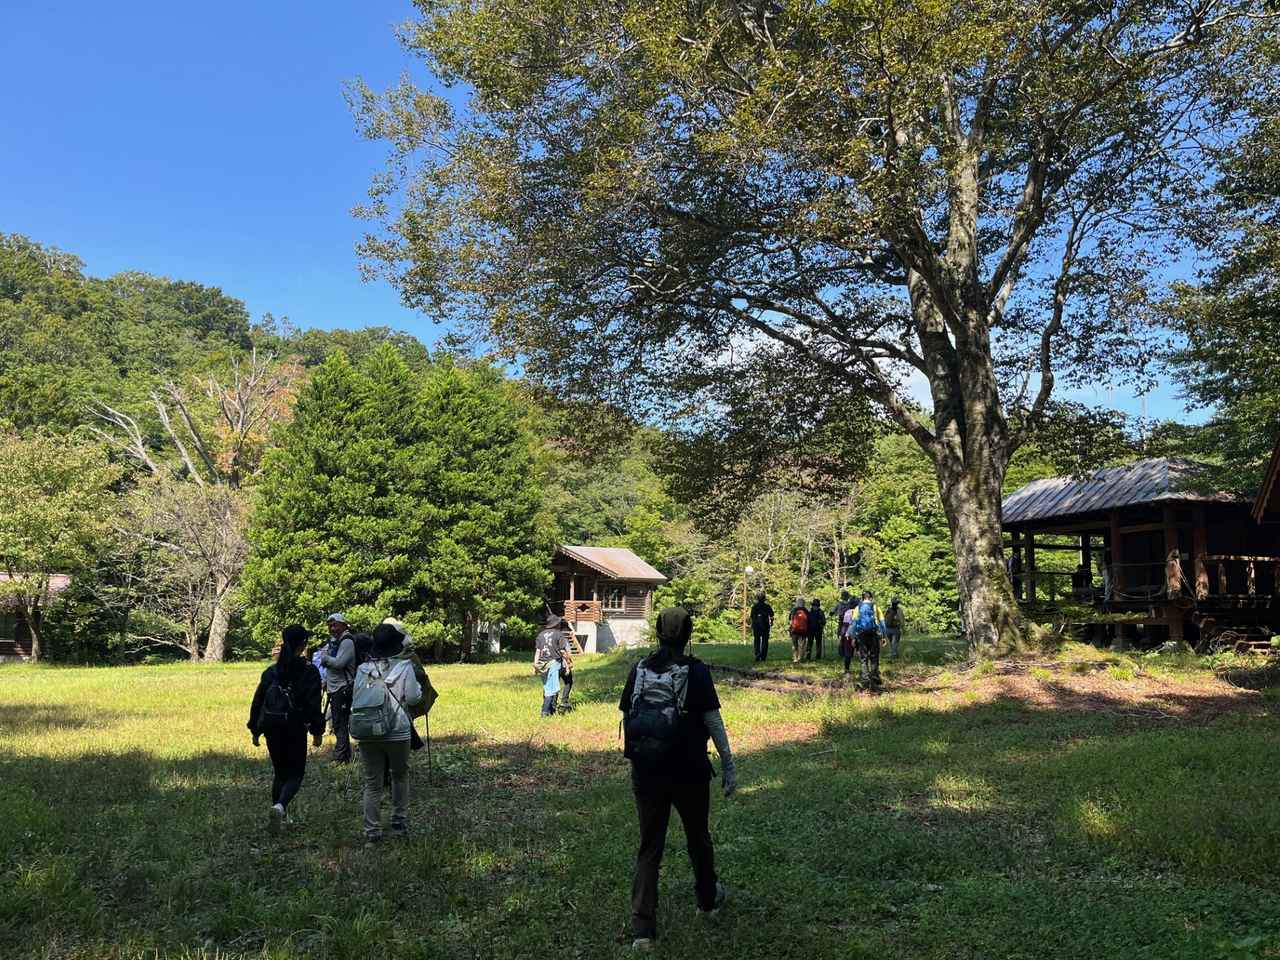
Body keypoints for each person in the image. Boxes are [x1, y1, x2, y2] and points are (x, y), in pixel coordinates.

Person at [620, 607, 734, 950]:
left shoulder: (638, 669)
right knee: (698, 836)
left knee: (649, 846)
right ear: (688, 634)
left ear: (657, 632)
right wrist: (728, 765)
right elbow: (713, 722)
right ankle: (707, 900)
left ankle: (642, 931)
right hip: (689, 771)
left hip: (647, 771)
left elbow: (629, 716)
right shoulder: (696, 671)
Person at [248, 624, 325, 834]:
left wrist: (255, 729)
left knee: (280, 773)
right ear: (303, 645)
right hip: (294, 727)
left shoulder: (271, 671)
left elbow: (258, 701)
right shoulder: (309, 671)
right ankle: (280, 806)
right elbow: (313, 704)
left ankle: (280, 818)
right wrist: (317, 731)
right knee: (296, 774)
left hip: (272, 727)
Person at [350, 622, 423, 843]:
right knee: (399, 775)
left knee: (372, 782)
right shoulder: (404, 667)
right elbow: (413, 698)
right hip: (397, 730)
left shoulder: (363, 669)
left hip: (366, 730)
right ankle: (399, 821)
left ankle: (372, 830)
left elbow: (356, 697)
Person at [319, 612, 357, 763]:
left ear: (343, 625)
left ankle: (341, 758)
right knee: (337, 722)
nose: (332, 628)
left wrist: (325, 658)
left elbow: (339, 663)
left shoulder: (347, 641)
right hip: (335, 687)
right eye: (329, 625)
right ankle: (343, 755)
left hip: (343, 687)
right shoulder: (335, 641)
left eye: (335, 625)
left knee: (340, 723)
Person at [533, 613, 574, 714]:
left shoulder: (540, 635)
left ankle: (550, 709)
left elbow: (538, 652)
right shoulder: (558, 634)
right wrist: (569, 663)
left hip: (542, 664)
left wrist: (535, 666)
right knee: (553, 689)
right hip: (554, 663)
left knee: (548, 687)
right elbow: (563, 652)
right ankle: (547, 711)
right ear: (556, 624)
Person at [844, 591, 886, 686]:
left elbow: (854, 623)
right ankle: (875, 676)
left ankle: (865, 678)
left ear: (862, 598)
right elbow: (882, 622)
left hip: (862, 635)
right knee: (874, 656)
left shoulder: (858, 608)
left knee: (863, 658)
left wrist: (853, 637)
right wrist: (883, 636)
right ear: (871, 598)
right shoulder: (875, 607)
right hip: (874, 634)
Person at [749, 593, 774, 663]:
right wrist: (771, 622)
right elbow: (772, 615)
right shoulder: (767, 606)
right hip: (765, 626)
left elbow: (752, 617)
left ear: (757, 598)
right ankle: (763, 656)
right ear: (764, 598)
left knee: (757, 640)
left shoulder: (754, 607)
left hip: (756, 626)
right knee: (765, 641)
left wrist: (753, 624)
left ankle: (757, 654)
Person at [788, 598, 809, 663]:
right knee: (802, 644)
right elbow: (809, 620)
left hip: (794, 630)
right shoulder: (806, 610)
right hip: (803, 631)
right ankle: (800, 657)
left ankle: (795, 658)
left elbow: (790, 619)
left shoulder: (793, 610)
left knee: (795, 644)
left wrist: (790, 628)